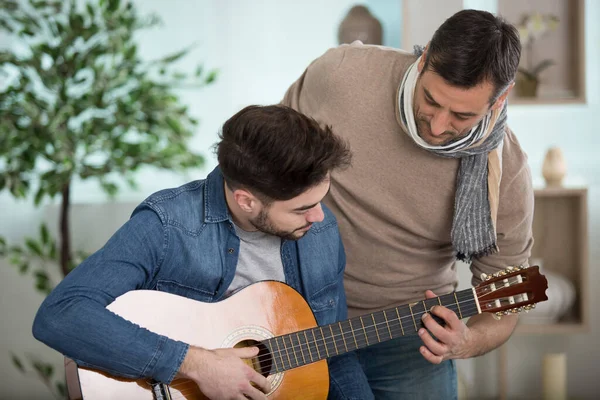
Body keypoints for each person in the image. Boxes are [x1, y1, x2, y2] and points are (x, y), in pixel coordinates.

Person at [32, 105, 375, 400]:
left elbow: (329, 351)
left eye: (320, 200)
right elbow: (60, 315)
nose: (319, 216)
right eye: (302, 209)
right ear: (246, 200)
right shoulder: (167, 224)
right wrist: (198, 365)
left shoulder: (321, 230)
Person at [282, 9, 534, 400]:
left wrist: (465, 341)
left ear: (500, 100)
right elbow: (268, 160)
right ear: (424, 57)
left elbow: (508, 298)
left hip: (407, 334)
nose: (435, 126)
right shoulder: (342, 75)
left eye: (462, 115)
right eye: (431, 100)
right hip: (297, 316)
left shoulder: (506, 171)